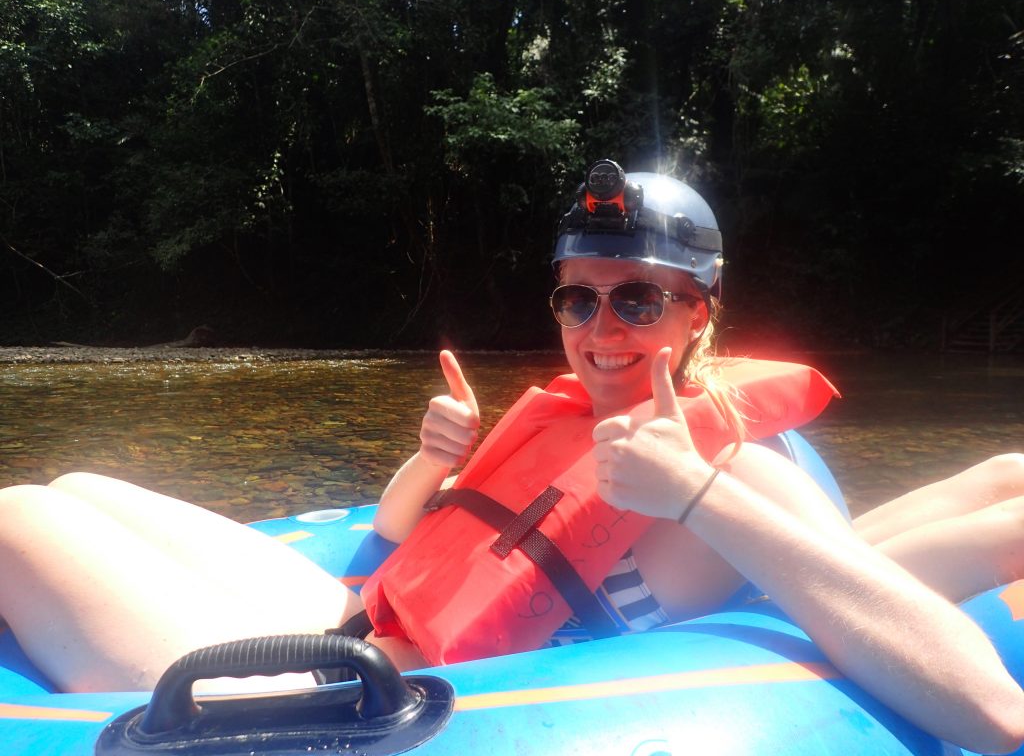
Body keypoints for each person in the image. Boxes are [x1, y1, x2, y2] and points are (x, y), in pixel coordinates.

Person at [0, 160, 1022, 753]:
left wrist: (696, 492)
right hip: (355, 618)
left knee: (17, 517)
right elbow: (398, 540)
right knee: (82, 485)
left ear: (701, 312)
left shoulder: (735, 469)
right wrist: (427, 463)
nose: (600, 328)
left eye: (638, 299)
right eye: (578, 297)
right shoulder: (576, 419)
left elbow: (990, 714)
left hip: (345, 690)